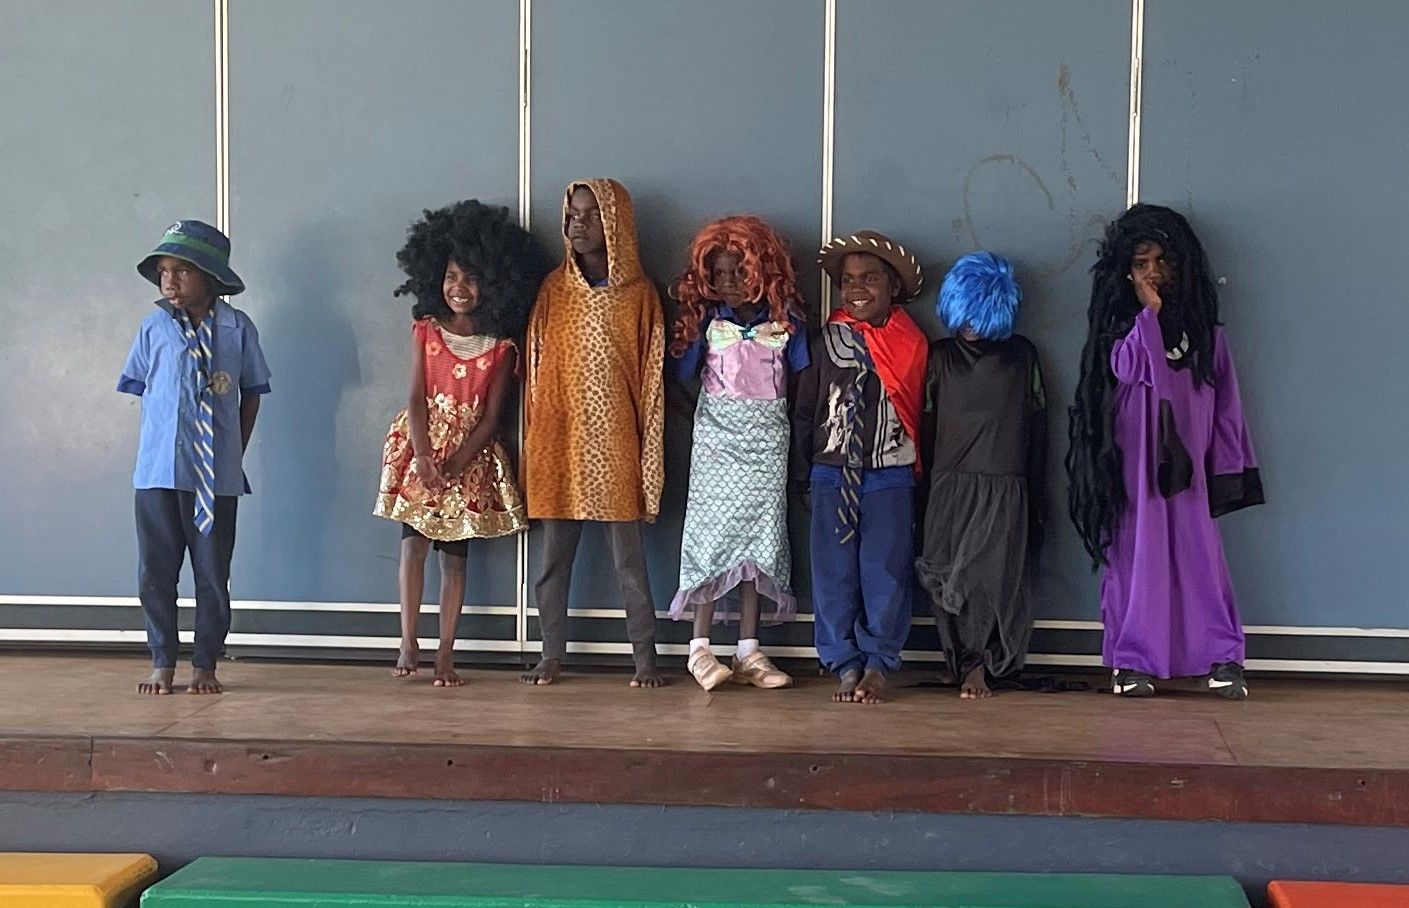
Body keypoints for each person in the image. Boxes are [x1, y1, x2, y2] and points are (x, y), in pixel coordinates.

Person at [1066, 204, 1264, 699]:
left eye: (1162, 260)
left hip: (1190, 469)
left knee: (1200, 560)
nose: (1153, 272)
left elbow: (1227, 406)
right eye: (1141, 263)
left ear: (1182, 264)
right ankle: (1132, 661)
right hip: (1136, 467)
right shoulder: (1120, 332)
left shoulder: (1205, 335)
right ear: (1126, 272)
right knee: (1139, 557)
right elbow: (1135, 368)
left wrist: (1231, 467)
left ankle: (1221, 657)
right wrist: (1148, 314)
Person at [374, 200, 545, 686]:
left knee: (455, 556)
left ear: (492, 284)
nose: (459, 288)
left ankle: (446, 652)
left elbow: (493, 418)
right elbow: (414, 394)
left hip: (469, 458)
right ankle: (409, 639)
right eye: (451, 276)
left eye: (470, 278)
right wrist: (424, 454)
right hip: (421, 446)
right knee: (412, 547)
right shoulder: (426, 331)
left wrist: (456, 461)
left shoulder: (500, 347)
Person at [521, 179, 666, 688]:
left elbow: (650, 384)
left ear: (616, 223)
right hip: (559, 445)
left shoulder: (639, 297)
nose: (578, 224)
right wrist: (535, 450)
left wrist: (650, 464)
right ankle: (551, 655)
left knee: (629, 562)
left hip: (616, 447)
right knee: (551, 563)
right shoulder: (552, 291)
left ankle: (645, 658)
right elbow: (535, 376)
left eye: (591, 215)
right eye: (572, 215)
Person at [119, 220, 270, 695]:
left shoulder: (237, 328)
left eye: (182, 270)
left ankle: (205, 663)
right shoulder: (155, 326)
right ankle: (162, 660)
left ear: (210, 277)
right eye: (164, 270)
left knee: (212, 574)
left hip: (215, 477)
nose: (170, 280)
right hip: (158, 472)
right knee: (156, 572)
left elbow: (251, 394)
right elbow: (145, 389)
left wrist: (230, 452)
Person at [667, 216, 809, 691]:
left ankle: (749, 648)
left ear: (762, 270)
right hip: (716, 444)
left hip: (769, 443)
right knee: (712, 538)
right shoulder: (708, 322)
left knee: (761, 541)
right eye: (719, 274)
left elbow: (802, 381)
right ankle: (700, 646)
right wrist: (706, 423)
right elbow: (678, 379)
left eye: (738, 272)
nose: (728, 283)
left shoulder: (787, 322)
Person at [792, 231, 928, 704]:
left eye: (869, 278)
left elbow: (922, 414)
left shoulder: (911, 343)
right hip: (831, 472)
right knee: (832, 574)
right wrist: (801, 474)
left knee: (885, 573)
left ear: (892, 285)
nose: (857, 289)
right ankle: (843, 663)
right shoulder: (824, 342)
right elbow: (805, 412)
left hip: (889, 474)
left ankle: (877, 663)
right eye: (849, 280)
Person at [915, 252, 1046, 700]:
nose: (969, 326)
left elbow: (1038, 428)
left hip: (1004, 485)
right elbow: (925, 425)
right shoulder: (940, 357)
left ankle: (983, 667)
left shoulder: (1021, 357)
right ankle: (960, 663)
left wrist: (1037, 493)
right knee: (946, 579)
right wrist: (924, 487)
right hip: (948, 484)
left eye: (979, 315)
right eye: (963, 314)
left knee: (993, 582)